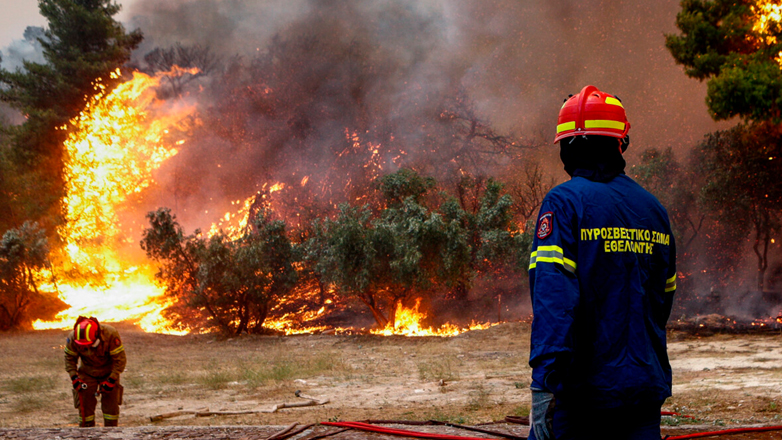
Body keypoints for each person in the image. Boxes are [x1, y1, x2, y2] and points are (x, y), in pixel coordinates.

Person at [527, 85, 677, 440]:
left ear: (567, 146)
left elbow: (554, 301)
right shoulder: (653, 209)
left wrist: (543, 385)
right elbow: (663, 299)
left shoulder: (564, 203)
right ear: (619, 143)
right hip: (643, 388)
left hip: (583, 395)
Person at [64, 316, 126, 427]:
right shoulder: (73, 337)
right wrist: (74, 377)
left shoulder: (110, 334)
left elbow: (120, 360)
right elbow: (69, 358)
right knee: (85, 407)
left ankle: (111, 433)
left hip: (109, 372)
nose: (87, 347)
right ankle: (86, 433)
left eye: (89, 344)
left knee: (111, 409)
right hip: (87, 373)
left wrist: (112, 380)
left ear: (96, 335)